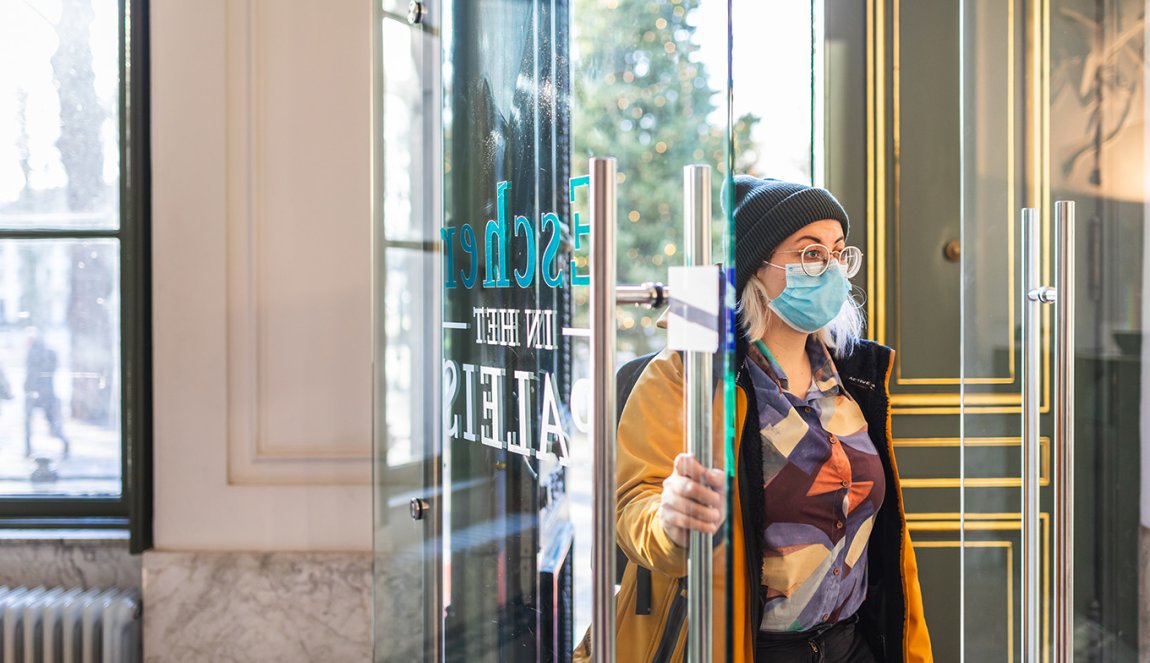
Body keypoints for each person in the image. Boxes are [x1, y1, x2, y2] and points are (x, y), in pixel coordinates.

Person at [575, 177, 932, 662]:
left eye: (838, 252)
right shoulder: (688, 373)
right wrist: (672, 522)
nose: (830, 270)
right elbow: (635, 506)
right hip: (748, 647)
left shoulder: (855, 378)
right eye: (810, 253)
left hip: (852, 646)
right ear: (757, 270)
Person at [24, 328, 70, 458]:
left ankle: (28, 449)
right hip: (42, 393)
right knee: (32, 423)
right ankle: (28, 448)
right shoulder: (45, 352)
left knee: (50, 423)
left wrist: (29, 388)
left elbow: (33, 375)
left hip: (41, 393)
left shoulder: (37, 353)